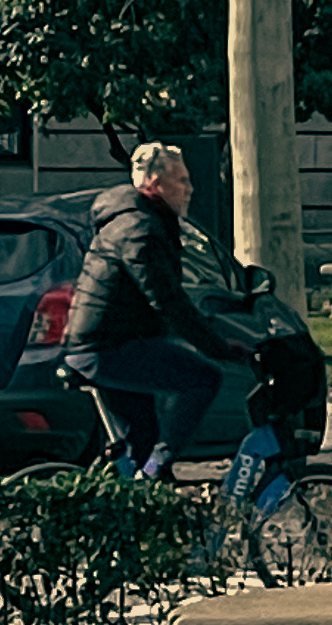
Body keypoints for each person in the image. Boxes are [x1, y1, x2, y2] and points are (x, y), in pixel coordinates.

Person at [62, 143, 258, 480]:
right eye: (181, 180)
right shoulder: (140, 230)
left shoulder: (136, 220)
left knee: (141, 441)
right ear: (154, 185)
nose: (190, 189)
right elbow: (168, 301)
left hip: (104, 344)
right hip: (108, 348)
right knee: (204, 379)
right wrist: (219, 348)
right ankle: (159, 464)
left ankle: (137, 501)